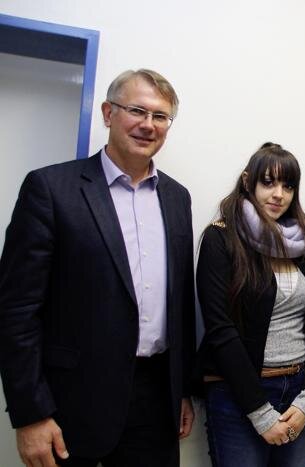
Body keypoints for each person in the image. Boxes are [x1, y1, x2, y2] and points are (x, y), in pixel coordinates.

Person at [0, 69, 195, 467]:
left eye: (160, 116)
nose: (148, 124)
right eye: (137, 110)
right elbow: (16, 311)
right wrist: (30, 413)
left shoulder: (177, 198)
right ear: (108, 113)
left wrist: (182, 390)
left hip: (156, 401)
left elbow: (180, 305)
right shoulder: (51, 189)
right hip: (72, 403)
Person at [196, 142, 305, 467]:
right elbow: (220, 330)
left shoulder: (304, 241)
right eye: (268, 182)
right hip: (238, 396)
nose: (278, 195)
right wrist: (260, 413)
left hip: (299, 395)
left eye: (288, 186)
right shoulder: (221, 238)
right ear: (248, 182)